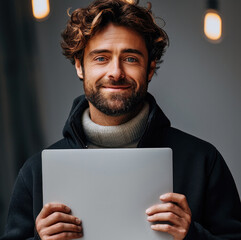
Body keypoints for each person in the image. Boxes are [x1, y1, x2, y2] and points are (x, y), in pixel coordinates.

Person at [1, 0, 241, 239]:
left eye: (131, 58)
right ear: (79, 66)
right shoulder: (36, 173)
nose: (115, 72)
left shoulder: (203, 162)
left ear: (149, 68)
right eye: (101, 58)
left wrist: (193, 236)